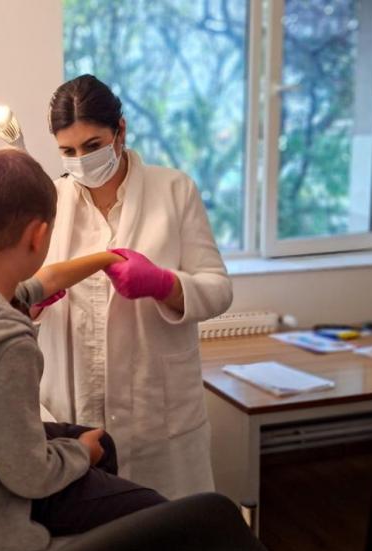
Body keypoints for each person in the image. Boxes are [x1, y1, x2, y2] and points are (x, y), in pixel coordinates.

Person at [0, 148, 166, 551]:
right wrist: (82, 454)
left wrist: (107, 257)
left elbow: (44, 281)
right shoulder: (2, 346)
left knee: (100, 440)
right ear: (38, 236)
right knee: (155, 509)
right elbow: (29, 474)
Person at [36, 75, 233, 499]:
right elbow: (15, 298)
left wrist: (164, 284)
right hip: (74, 418)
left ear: (120, 131)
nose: (81, 161)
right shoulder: (49, 201)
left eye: (92, 145)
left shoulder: (174, 190)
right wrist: (32, 302)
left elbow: (218, 290)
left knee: (165, 528)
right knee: (89, 532)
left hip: (157, 416)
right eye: (68, 151)